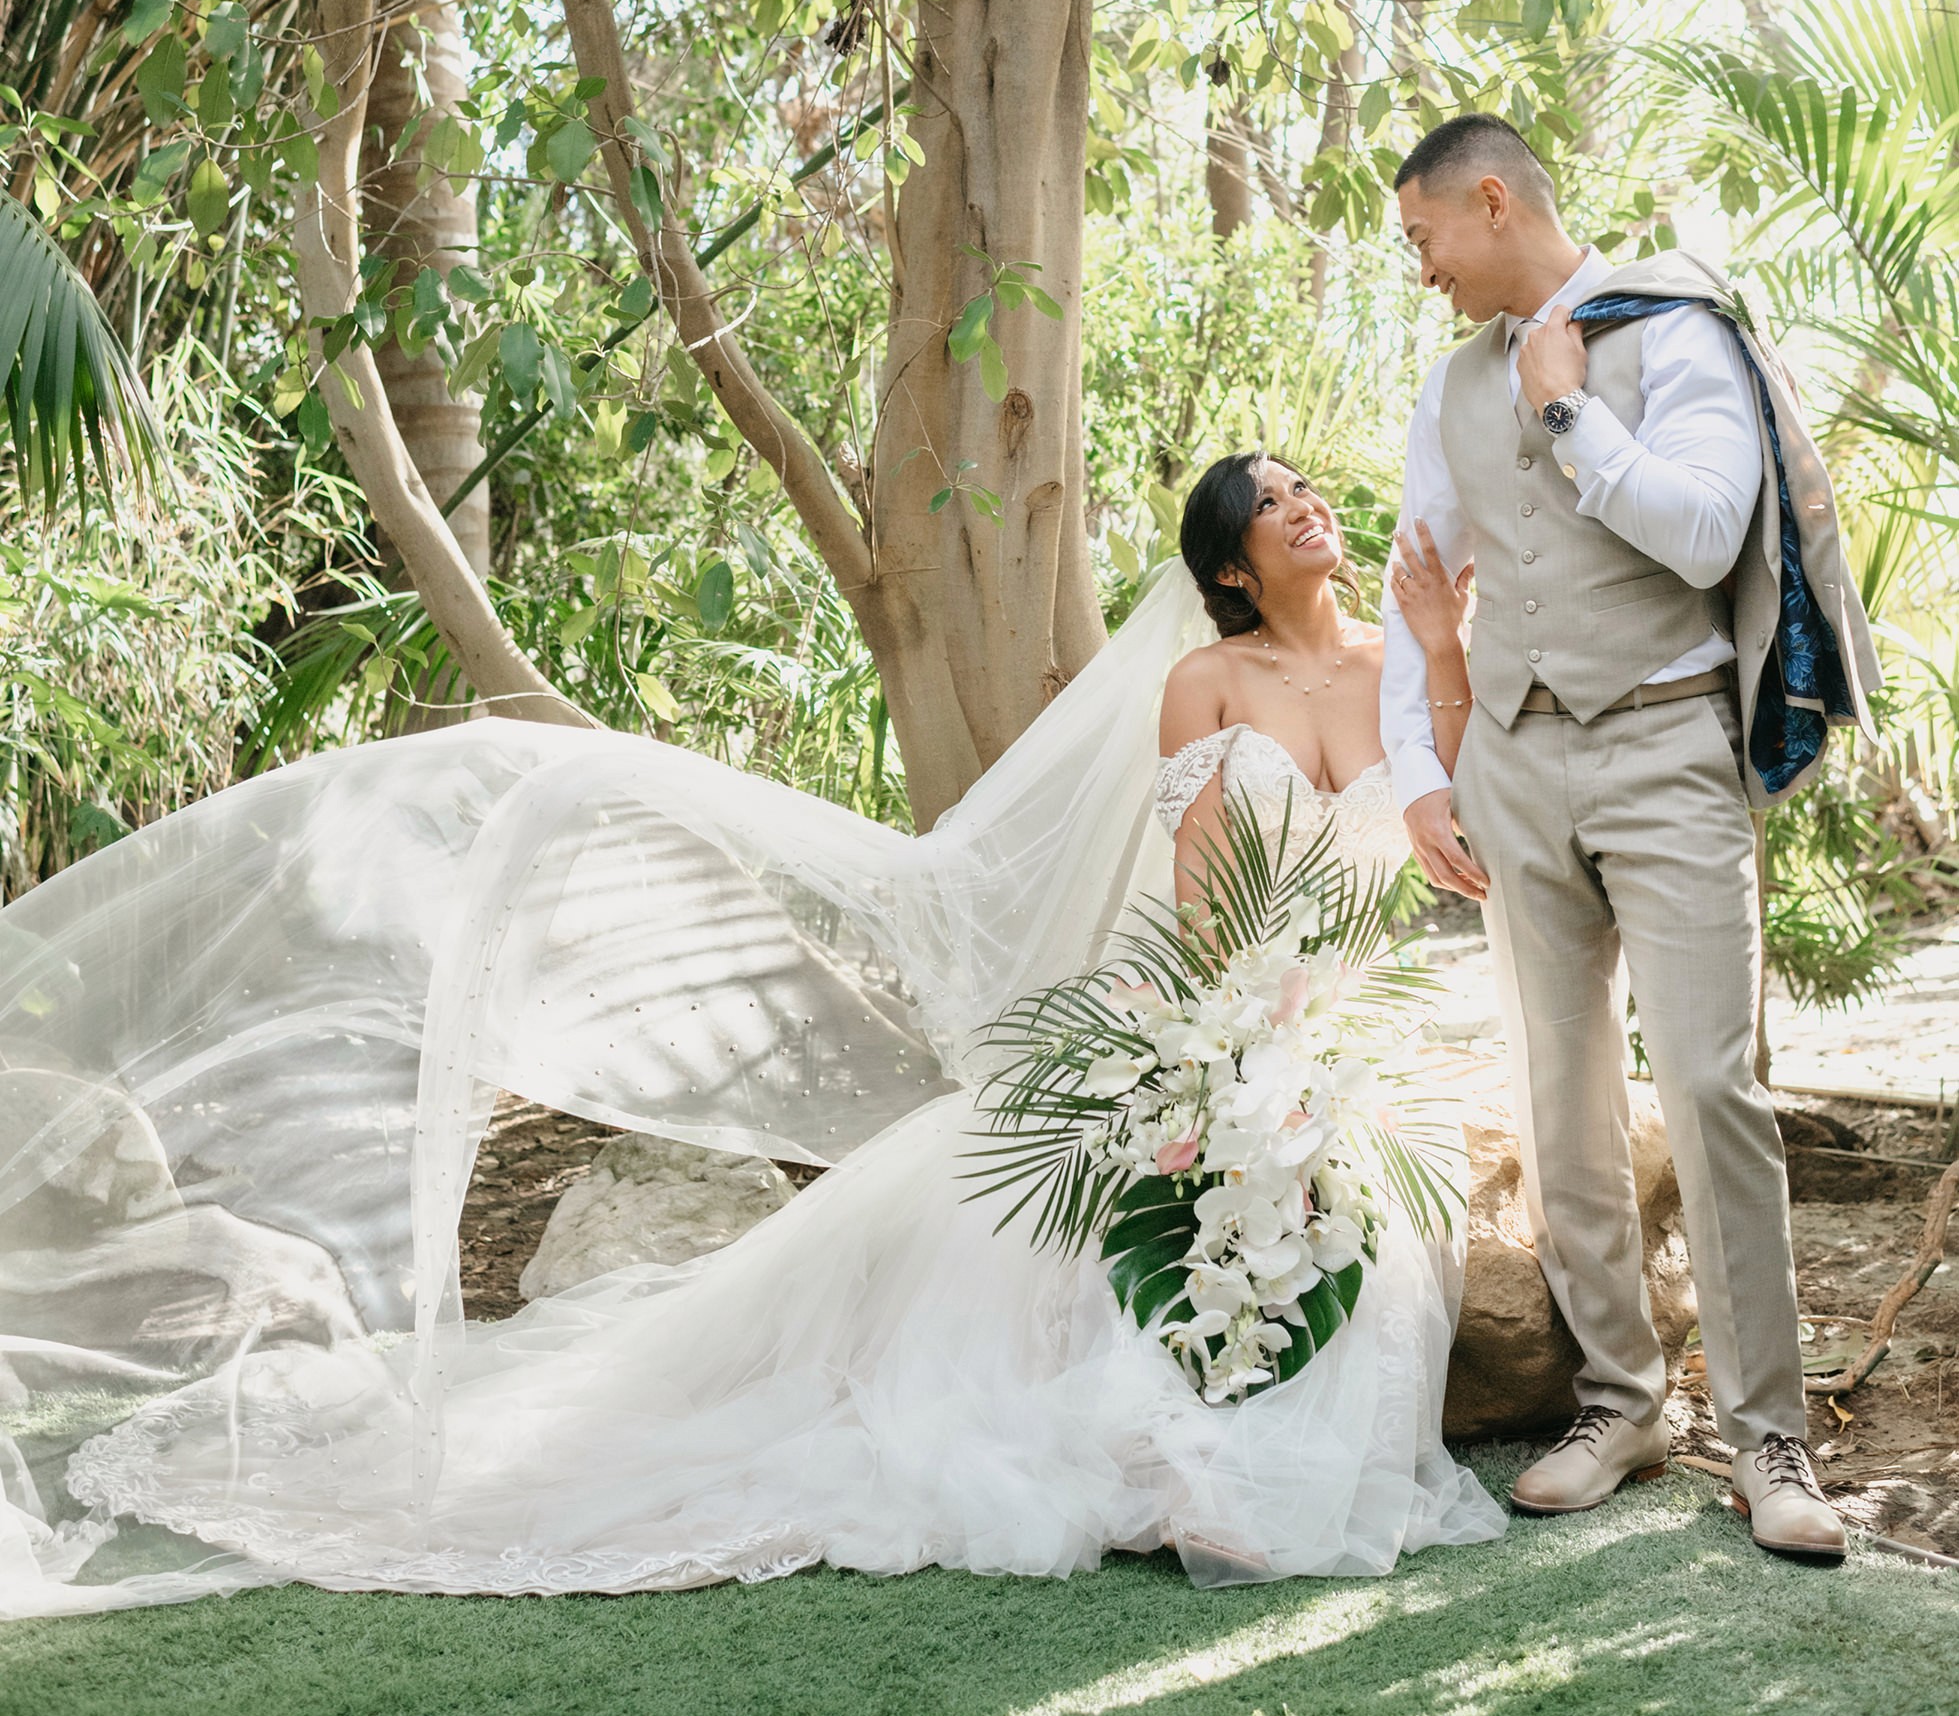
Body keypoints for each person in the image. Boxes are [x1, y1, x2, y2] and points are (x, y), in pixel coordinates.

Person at [0, 463, 1503, 1616]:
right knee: (1113, 1220)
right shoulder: (1204, 684)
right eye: (1269, 508)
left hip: (1334, 1025)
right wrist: (1213, 1045)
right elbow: (1197, 883)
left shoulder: (1389, 672)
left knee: (1340, 1228)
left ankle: (1224, 1450)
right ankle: (1171, 1458)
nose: (1305, 510)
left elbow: (1439, 816)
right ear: (1230, 568)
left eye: (1306, 491)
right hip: (1195, 1008)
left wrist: (1437, 648)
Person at [1381, 112, 1880, 1566]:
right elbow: (1427, 577)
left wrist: (1570, 410)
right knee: (1559, 1096)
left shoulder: (1676, 329)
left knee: (1714, 1085)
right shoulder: (1448, 385)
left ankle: (1771, 1436)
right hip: (1516, 763)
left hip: (1668, 748)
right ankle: (1620, 1400)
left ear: (1490, 204)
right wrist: (1424, 769)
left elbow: (1713, 527)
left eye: (1424, 240)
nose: (1421, 273)